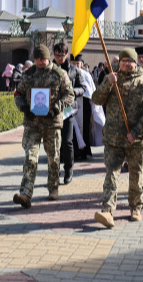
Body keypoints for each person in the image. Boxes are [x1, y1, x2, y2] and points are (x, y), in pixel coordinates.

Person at [92, 48, 143, 228]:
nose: (127, 64)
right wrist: (107, 82)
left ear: (136, 63)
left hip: (135, 140)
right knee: (111, 174)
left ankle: (135, 207)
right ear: (119, 63)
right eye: (124, 61)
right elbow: (96, 99)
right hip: (114, 138)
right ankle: (107, 210)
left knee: (136, 175)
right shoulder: (112, 79)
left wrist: (136, 131)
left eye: (130, 61)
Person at [12, 45, 74, 209]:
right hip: (32, 124)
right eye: (37, 59)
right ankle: (26, 193)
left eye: (43, 59)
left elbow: (70, 95)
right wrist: (24, 107)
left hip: (51, 124)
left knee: (53, 158)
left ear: (48, 58)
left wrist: (56, 108)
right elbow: (18, 94)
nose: (40, 62)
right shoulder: (28, 74)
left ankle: (53, 188)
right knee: (30, 158)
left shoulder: (59, 74)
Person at [53, 42, 88, 184]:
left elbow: (83, 88)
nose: (60, 58)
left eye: (62, 55)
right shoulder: (50, 69)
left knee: (67, 141)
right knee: (54, 143)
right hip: (53, 110)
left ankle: (69, 169)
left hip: (68, 110)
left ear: (66, 54)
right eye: (57, 55)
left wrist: (73, 92)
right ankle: (54, 172)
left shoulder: (74, 70)